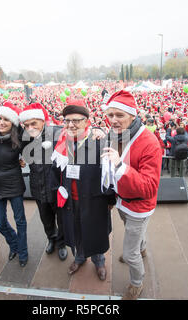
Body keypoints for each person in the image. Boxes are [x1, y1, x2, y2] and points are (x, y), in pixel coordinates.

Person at [101, 90, 162, 300]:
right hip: (121, 200)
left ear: (132, 116)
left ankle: (137, 284)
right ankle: (141, 248)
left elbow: (149, 187)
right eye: (110, 115)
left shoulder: (150, 142)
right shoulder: (116, 135)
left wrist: (120, 164)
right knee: (133, 234)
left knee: (129, 253)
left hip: (139, 206)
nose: (114, 120)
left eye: (119, 115)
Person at [51, 99, 115, 281]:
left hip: (93, 200)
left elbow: (108, 175)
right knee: (75, 230)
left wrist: (110, 200)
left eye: (76, 120)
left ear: (87, 121)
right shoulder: (61, 142)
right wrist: (57, 192)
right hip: (70, 201)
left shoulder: (99, 142)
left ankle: (99, 260)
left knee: (94, 232)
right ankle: (79, 257)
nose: (71, 124)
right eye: (67, 120)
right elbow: (54, 172)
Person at [19, 103, 68, 261]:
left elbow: (80, 131)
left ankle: (61, 243)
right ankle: (51, 239)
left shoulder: (57, 133)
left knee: (61, 219)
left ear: (42, 121)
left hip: (56, 187)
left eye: (34, 123)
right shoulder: (25, 139)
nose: (30, 127)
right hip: (38, 187)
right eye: (26, 125)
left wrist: (97, 130)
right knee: (46, 219)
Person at [0, 102, 28, 267]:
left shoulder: (20, 137)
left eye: (6, 120)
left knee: (20, 220)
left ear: (13, 123)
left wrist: (24, 160)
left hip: (13, 183)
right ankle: (14, 244)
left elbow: (37, 142)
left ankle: (22, 252)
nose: (1, 122)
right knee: (1, 222)